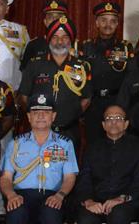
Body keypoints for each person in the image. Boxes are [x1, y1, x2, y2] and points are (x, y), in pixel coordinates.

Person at [0, 96, 79, 224]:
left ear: (53, 116)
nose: (41, 116)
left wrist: (60, 195)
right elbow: (6, 178)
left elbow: (69, 177)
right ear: (28, 116)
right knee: (15, 213)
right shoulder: (16, 144)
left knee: (52, 213)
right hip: (22, 195)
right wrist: (10, 195)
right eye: (36, 112)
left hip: (51, 194)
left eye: (45, 112)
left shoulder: (65, 143)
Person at [17, 17, 93, 148]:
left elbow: (86, 98)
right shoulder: (35, 64)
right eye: (55, 37)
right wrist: (35, 118)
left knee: (68, 168)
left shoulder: (81, 67)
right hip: (38, 132)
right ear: (48, 39)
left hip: (69, 132)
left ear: (72, 40)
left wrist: (70, 114)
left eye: (65, 37)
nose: (60, 41)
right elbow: (23, 97)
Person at [79, 1, 134, 148]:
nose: (107, 24)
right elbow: (79, 79)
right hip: (93, 105)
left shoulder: (126, 48)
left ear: (117, 24)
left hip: (117, 102)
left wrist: (123, 106)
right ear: (97, 23)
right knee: (93, 145)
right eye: (103, 20)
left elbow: (130, 79)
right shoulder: (85, 47)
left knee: (118, 145)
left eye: (112, 21)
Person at [20, 0, 69, 67]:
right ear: (45, 22)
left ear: (64, 21)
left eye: (58, 17)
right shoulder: (34, 45)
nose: (54, 20)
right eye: (50, 17)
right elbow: (26, 72)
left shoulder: (72, 44)